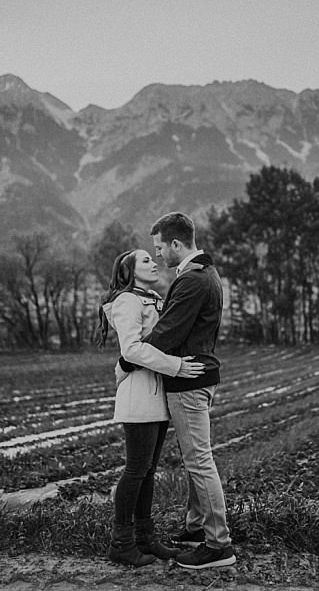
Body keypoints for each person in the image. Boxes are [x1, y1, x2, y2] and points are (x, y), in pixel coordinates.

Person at [121, 211, 235, 570]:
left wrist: (127, 361)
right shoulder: (206, 274)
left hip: (189, 383)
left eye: (159, 248)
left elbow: (167, 333)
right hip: (197, 378)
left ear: (175, 244)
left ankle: (218, 545)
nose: (158, 256)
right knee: (196, 460)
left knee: (199, 460)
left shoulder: (192, 280)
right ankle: (197, 527)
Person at [96, 248, 205, 567]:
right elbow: (131, 349)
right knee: (135, 470)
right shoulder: (128, 301)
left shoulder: (152, 299)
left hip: (156, 395)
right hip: (140, 395)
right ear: (128, 271)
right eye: (145, 260)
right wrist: (176, 366)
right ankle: (122, 543)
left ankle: (145, 539)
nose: (153, 262)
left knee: (147, 471)